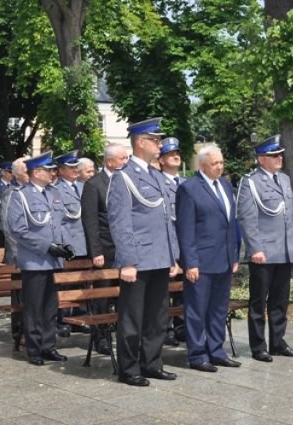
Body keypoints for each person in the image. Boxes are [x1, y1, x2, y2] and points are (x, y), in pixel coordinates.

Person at [107, 118, 179, 386]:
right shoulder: (123, 177)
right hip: (137, 261)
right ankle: (129, 368)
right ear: (140, 142)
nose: (160, 145)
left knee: (157, 317)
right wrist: (127, 261)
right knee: (132, 318)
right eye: (155, 140)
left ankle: (152, 363)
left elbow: (165, 219)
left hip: (159, 258)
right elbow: (121, 223)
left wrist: (173, 256)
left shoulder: (156, 175)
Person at [236, 135, 293, 362]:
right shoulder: (251, 182)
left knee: (279, 301)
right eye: (275, 155)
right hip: (263, 253)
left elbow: (290, 216)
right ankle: (258, 346)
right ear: (261, 158)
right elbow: (247, 218)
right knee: (258, 302)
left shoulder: (284, 180)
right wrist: (255, 248)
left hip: (284, 251)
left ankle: (278, 342)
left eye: (280, 154)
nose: (280, 158)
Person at [175, 145, 240, 373]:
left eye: (222, 162)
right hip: (200, 262)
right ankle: (197, 354)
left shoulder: (225, 185)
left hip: (223, 260)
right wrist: (190, 262)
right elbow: (185, 229)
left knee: (218, 309)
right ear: (202, 165)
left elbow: (231, 224)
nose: (220, 167)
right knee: (196, 310)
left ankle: (217, 351)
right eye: (215, 164)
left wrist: (234, 254)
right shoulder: (190, 189)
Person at [7, 151, 72, 366]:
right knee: (34, 308)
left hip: (54, 260)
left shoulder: (53, 193)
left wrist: (65, 246)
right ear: (37, 172)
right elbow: (19, 230)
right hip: (35, 261)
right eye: (49, 170)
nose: (53, 173)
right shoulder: (20, 195)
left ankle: (49, 346)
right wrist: (47, 246)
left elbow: (61, 223)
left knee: (50, 307)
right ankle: (34, 349)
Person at [81, 143, 129, 355]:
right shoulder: (94, 184)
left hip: (125, 250)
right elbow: (90, 221)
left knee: (125, 295)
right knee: (102, 296)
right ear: (109, 161)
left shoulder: (127, 180)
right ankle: (101, 337)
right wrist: (96, 251)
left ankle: (123, 332)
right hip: (106, 252)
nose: (126, 162)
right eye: (122, 159)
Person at [54, 150, 89, 337]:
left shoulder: (84, 187)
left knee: (83, 282)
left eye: (76, 166)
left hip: (85, 242)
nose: (75, 170)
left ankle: (80, 316)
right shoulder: (56, 189)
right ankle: (63, 318)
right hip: (69, 244)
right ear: (60, 170)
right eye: (71, 167)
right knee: (66, 283)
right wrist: (65, 246)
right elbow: (58, 220)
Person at [158, 137, 186, 347]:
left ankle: (181, 326)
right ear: (161, 160)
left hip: (185, 244)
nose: (176, 156)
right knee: (164, 289)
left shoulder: (186, 183)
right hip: (167, 243)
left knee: (184, 288)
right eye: (170, 154)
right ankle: (166, 328)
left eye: (177, 153)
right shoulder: (157, 183)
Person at [1, 158, 28, 341]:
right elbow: (8, 227)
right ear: (18, 173)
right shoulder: (11, 193)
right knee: (19, 295)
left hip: (33, 254)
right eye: (28, 170)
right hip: (19, 255)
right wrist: (19, 254)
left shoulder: (31, 191)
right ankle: (19, 330)